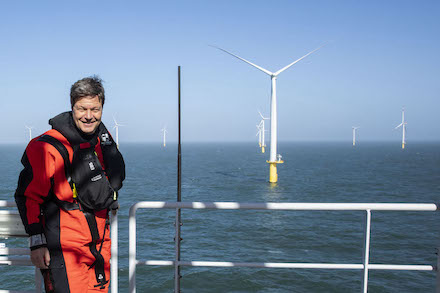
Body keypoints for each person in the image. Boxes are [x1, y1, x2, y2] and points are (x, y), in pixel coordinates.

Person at [15, 76, 125, 292]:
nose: (89, 116)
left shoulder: (102, 140)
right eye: (82, 109)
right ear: (72, 106)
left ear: (102, 107)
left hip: (100, 245)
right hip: (66, 250)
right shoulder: (46, 147)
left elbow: (108, 181)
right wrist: (37, 242)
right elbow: (29, 197)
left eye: (95, 109)